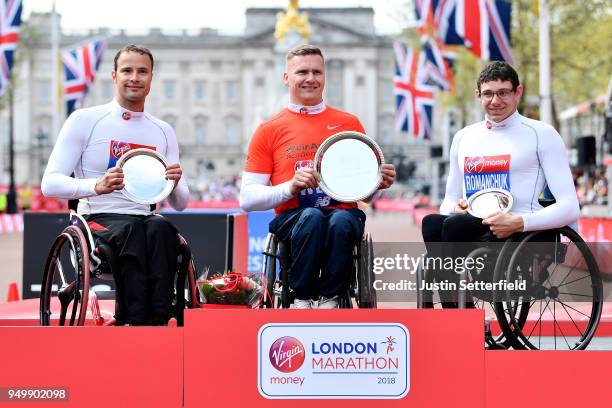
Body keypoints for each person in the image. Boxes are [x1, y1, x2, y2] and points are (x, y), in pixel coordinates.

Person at [41, 45, 189, 325]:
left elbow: (181, 204)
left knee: (162, 228)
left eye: (142, 71)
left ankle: (160, 314)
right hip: (97, 217)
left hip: (144, 217)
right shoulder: (85, 120)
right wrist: (96, 185)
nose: (135, 77)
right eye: (127, 70)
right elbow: (50, 184)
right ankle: (132, 318)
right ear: (114, 76)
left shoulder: (162, 130)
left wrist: (177, 183)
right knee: (132, 230)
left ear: (151, 79)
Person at [240, 44, 396, 309]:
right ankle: (301, 296)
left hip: (343, 215)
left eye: (317, 72)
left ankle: (330, 297)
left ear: (325, 77)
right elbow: (247, 199)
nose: (310, 78)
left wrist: (378, 184)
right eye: (302, 72)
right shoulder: (268, 130)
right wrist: (290, 187)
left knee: (339, 221)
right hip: (293, 219)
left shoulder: (349, 124)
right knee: (312, 217)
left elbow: (366, 194)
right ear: (287, 78)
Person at [421, 61, 579, 306]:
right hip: (473, 224)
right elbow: (448, 201)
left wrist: (518, 222)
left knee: (454, 227)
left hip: (520, 228)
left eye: (503, 92)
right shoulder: (464, 137)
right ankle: (456, 309)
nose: (495, 101)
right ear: (478, 96)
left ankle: (463, 307)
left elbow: (569, 206)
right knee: (432, 222)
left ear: (518, 92)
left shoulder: (542, 134)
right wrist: (456, 207)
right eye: (488, 94)